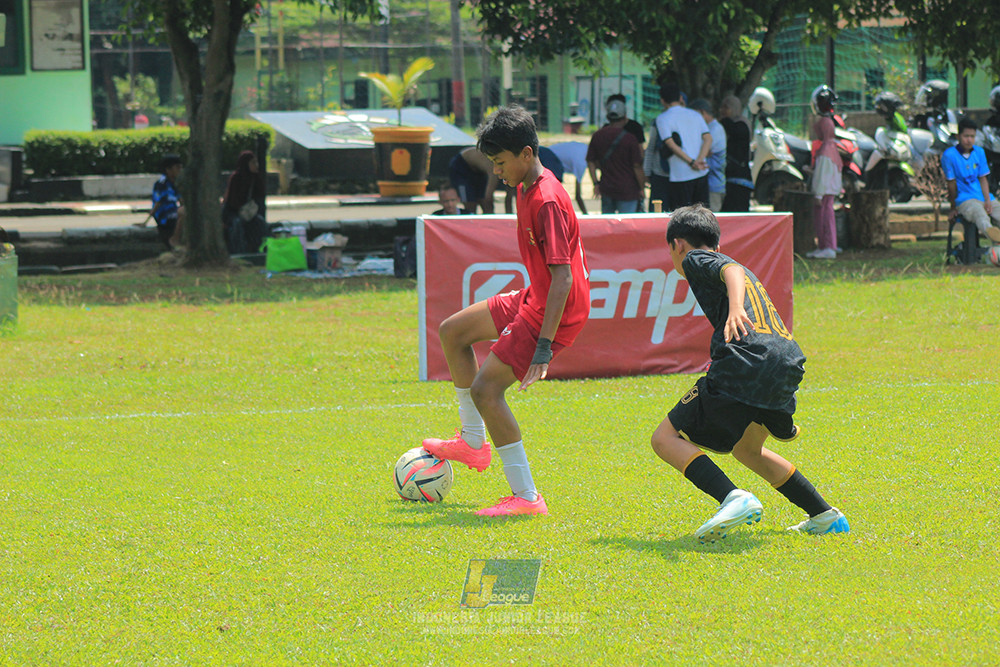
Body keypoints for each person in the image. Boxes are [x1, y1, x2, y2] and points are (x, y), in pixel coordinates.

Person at [421, 105, 591, 517]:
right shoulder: (524, 185)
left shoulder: (548, 199)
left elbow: (564, 279)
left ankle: (528, 499)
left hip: (556, 308)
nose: (496, 170)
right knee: (452, 332)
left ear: (527, 154)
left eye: (499, 162)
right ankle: (473, 443)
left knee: (486, 390)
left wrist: (543, 347)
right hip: (538, 294)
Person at [652, 204, 850, 543]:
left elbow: (730, 271)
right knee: (747, 449)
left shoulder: (695, 259)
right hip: (784, 361)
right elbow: (734, 271)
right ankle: (824, 515)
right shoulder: (733, 266)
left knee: (664, 439)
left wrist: (735, 309)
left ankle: (734, 497)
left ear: (677, 244)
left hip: (746, 362)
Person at [942, 117, 1000, 245]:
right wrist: (953, 207)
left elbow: (983, 178)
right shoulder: (949, 155)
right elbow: (951, 184)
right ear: (958, 136)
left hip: (983, 196)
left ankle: (996, 245)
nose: (969, 140)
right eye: (966, 136)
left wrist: (988, 200)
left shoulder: (979, 152)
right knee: (980, 215)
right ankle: (994, 236)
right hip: (964, 200)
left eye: (972, 136)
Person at [655, 82, 712, 209]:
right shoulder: (695, 115)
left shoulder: (662, 118)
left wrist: (691, 162)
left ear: (662, 101)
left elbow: (670, 143)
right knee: (703, 215)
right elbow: (708, 138)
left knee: (682, 216)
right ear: (680, 98)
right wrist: (699, 160)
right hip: (702, 171)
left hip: (680, 174)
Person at [586, 97, 645, 213]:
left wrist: (596, 183)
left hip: (607, 188)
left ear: (608, 117)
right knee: (627, 227)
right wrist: (642, 188)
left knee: (609, 226)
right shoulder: (630, 139)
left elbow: (590, 161)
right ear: (625, 117)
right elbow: (637, 166)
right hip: (628, 190)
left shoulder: (597, 136)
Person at [807, 85, 842, 259]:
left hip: (823, 193)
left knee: (824, 216)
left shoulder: (826, 152)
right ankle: (828, 245)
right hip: (829, 191)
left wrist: (818, 193)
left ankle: (827, 246)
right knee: (829, 214)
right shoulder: (833, 149)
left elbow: (823, 176)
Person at [221, 150, 267, 254]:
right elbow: (232, 201)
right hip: (232, 212)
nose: (256, 165)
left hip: (247, 212)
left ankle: (259, 250)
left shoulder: (255, 178)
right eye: (253, 163)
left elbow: (259, 195)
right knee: (237, 224)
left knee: (260, 223)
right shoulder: (236, 178)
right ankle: (238, 252)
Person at [688, 98, 727, 211]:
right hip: (708, 183)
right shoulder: (708, 128)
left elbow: (701, 150)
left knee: (711, 219)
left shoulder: (715, 129)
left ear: (702, 112)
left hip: (714, 185)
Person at [717, 95, 753, 212]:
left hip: (739, 178)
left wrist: (721, 120)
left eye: (726, 108)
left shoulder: (741, 125)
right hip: (730, 177)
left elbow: (731, 128)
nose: (722, 111)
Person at [142, 153, 184, 250]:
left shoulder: (175, 182)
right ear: (168, 170)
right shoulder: (162, 184)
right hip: (164, 216)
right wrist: (146, 221)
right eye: (177, 167)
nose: (179, 170)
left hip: (173, 213)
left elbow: (181, 200)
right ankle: (175, 239)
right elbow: (158, 203)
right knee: (184, 212)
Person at [448, 146, 501, 214]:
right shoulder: (493, 169)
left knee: (487, 205)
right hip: (461, 167)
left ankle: (489, 222)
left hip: (478, 170)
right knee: (471, 205)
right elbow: (488, 197)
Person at [547, 141, 590, 213]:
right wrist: (586, 214)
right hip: (548, 158)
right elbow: (578, 196)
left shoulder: (585, 148)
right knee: (554, 194)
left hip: (545, 152)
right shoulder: (581, 163)